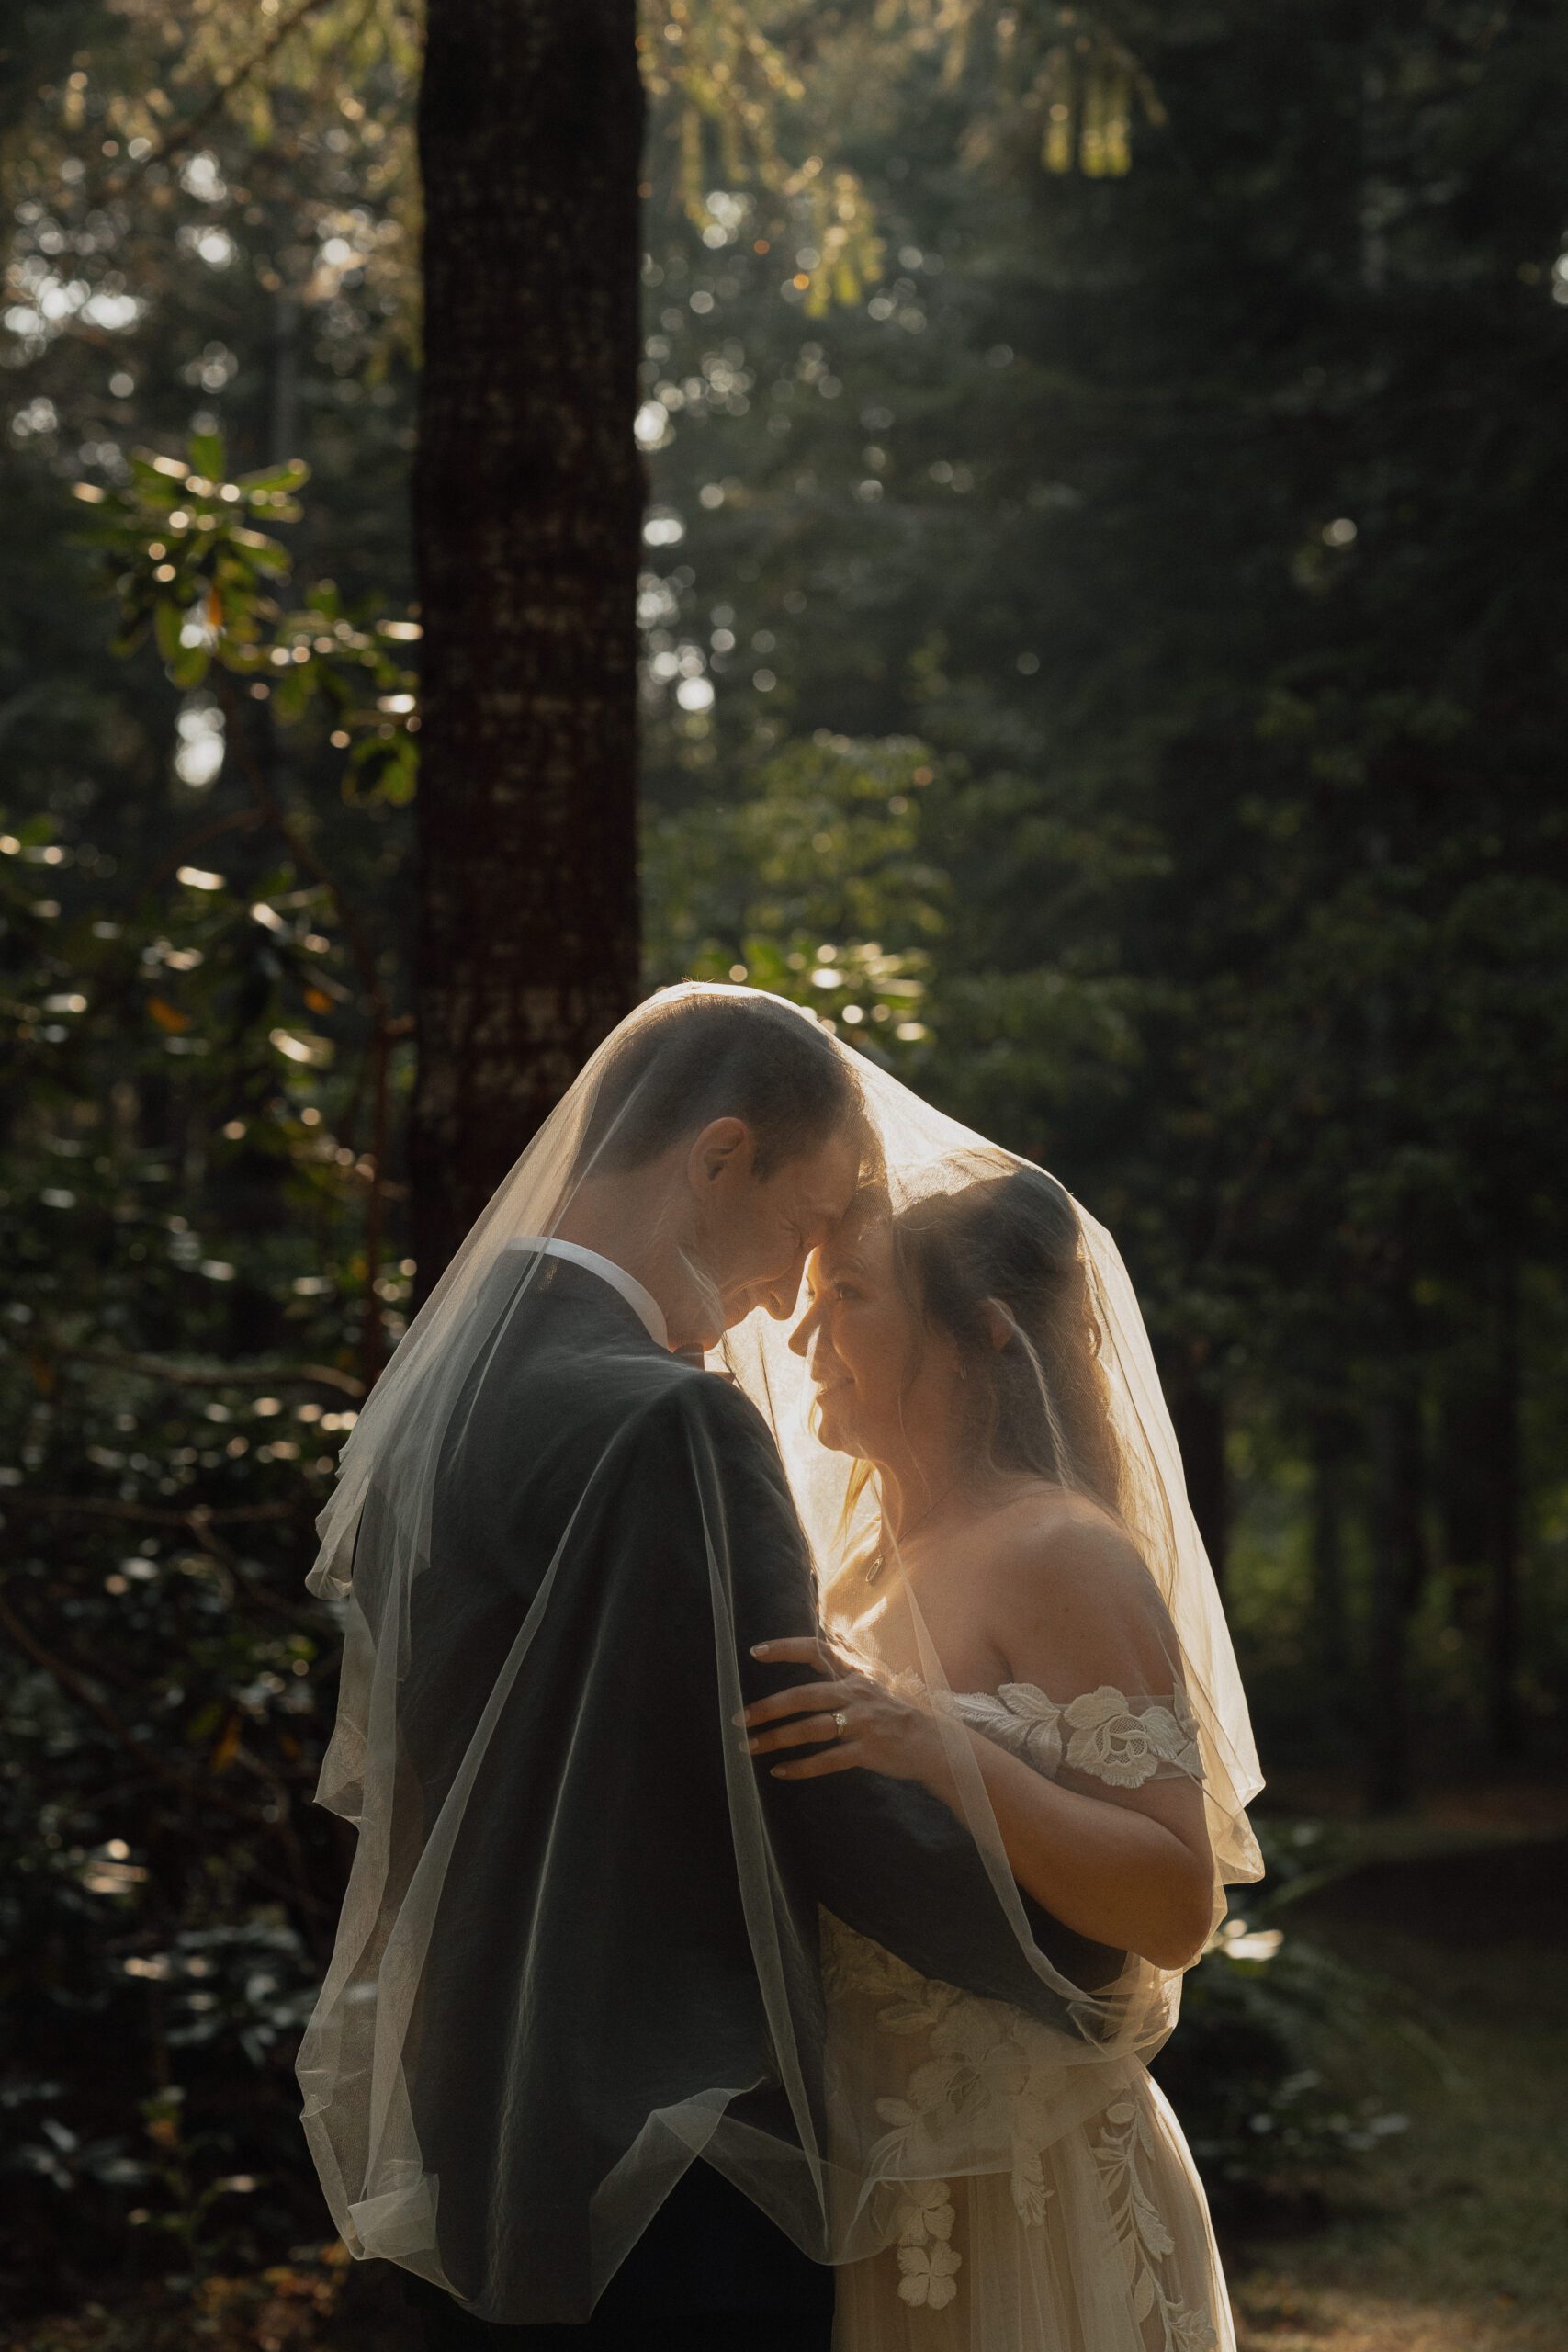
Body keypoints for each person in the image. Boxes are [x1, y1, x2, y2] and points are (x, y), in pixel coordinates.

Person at [295, 988, 1120, 2346]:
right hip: (681, 2135)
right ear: (719, 1158)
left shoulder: (435, 1399)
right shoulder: (677, 1420)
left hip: (472, 2101)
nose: (790, 1289)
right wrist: (1071, 1953)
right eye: (803, 1226)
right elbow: (807, 1776)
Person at [735, 1159, 1262, 2350]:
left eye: (848, 1300)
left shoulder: (1058, 1552)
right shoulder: (855, 1571)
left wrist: (946, 1753)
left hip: (1032, 2175)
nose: (804, 1336)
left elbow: (1176, 1904)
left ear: (978, 1336)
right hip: (880, 2171)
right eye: (807, 1303)